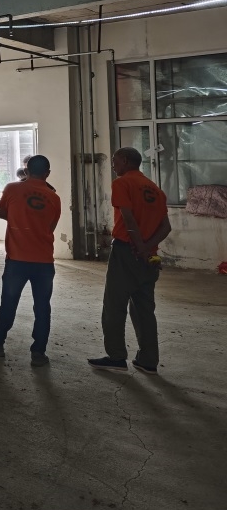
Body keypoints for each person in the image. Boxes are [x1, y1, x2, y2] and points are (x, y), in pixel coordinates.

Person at [0, 155, 62, 367]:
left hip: (17, 260)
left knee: (8, 303)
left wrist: (20, 216)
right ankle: (38, 353)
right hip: (44, 261)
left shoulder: (12, 189)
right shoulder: (54, 197)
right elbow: (51, 226)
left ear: (27, 171)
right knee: (42, 308)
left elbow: (2, 213)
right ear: (48, 173)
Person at [89, 147, 171, 374]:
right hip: (149, 257)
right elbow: (166, 227)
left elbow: (128, 218)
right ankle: (148, 360)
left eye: (115, 161)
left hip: (127, 251)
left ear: (125, 161)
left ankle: (116, 357)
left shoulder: (122, 183)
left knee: (114, 305)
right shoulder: (156, 190)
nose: (113, 166)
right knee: (144, 308)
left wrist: (140, 247)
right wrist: (148, 248)